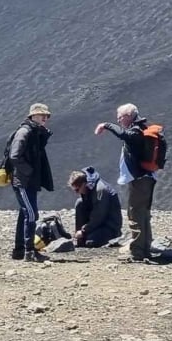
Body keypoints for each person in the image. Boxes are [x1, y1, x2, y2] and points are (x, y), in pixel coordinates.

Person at [94, 103, 163, 262]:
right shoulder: (141, 129)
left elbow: (124, 135)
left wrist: (106, 125)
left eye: (120, 117)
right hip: (146, 179)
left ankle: (138, 252)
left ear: (128, 116)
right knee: (143, 213)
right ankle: (145, 248)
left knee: (135, 213)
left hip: (140, 180)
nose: (118, 120)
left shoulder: (136, 131)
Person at [7, 102, 55, 262]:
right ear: (33, 116)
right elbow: (15, 156)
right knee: (32, 214)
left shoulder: (34, 132)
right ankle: (29, 252)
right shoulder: (25, 132)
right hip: (23, 181)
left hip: (29, 181)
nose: (45, 118)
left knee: (25, 213)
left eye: (47, 116)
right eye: (43, 115)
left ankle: (20, 250)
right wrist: (29, 171)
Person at [69, 167, 122, 248]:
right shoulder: (88, 189)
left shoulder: (100, 190)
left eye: (77, 190)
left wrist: (84, 231)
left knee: (90, 242)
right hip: (98, 225)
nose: (77, 192)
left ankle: (113, 237)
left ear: (84, 184)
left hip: (109, 226)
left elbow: (99, 216)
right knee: (79, 203)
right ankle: (79, 238)